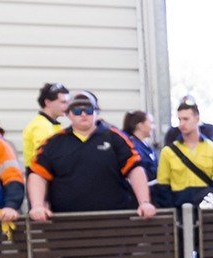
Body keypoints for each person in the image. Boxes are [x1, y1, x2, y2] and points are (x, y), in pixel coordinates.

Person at [28, 90, 157, 220]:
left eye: (88, 109)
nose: (83, 114)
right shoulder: (53, 143)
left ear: (96, 112)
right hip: (65, 223)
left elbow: (135, 169)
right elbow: (37, 174)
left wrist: (144, 202)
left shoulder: (116, 138)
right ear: (68, 114)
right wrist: (37, 205)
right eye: (77, 110)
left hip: (115, 222)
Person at [158, 100, 213, 207]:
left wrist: (209, 205)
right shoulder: (167, 152)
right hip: (178, 210)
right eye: (179, 119)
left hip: (207, 210)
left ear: (197, 119)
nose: (182, 124)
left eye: (186, 119)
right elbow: (163, 186)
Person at [23, 82, 70, 168]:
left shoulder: (51, 124)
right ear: (47, 102)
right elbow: (45, 158)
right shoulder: (41, 126)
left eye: (68, 102)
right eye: (63, 102)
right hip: (41, 178)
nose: (67, 107)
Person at [122, 110, 160, 184]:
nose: (154, 127)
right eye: (151, 123)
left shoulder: (145, 145)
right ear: (140, 126)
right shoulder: (133, 147)